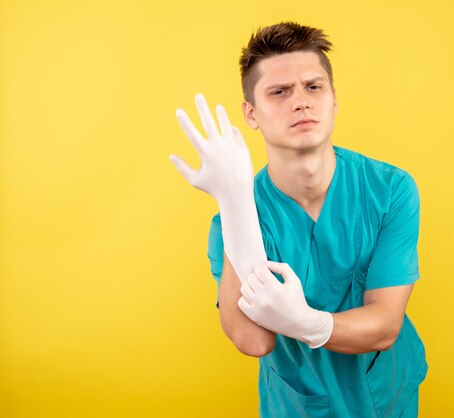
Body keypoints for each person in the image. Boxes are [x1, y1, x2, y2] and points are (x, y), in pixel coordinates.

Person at [170, 21, 428, 418]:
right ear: (251, 114)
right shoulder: (236, 217)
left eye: (313, 87)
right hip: (296, 405)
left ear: (334, 100)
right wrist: (235, 200)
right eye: (279, 92)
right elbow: (252, 340)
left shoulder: (390, 190)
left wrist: (308, 323)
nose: (301, 102)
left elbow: (385, 324)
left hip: (386, 398)